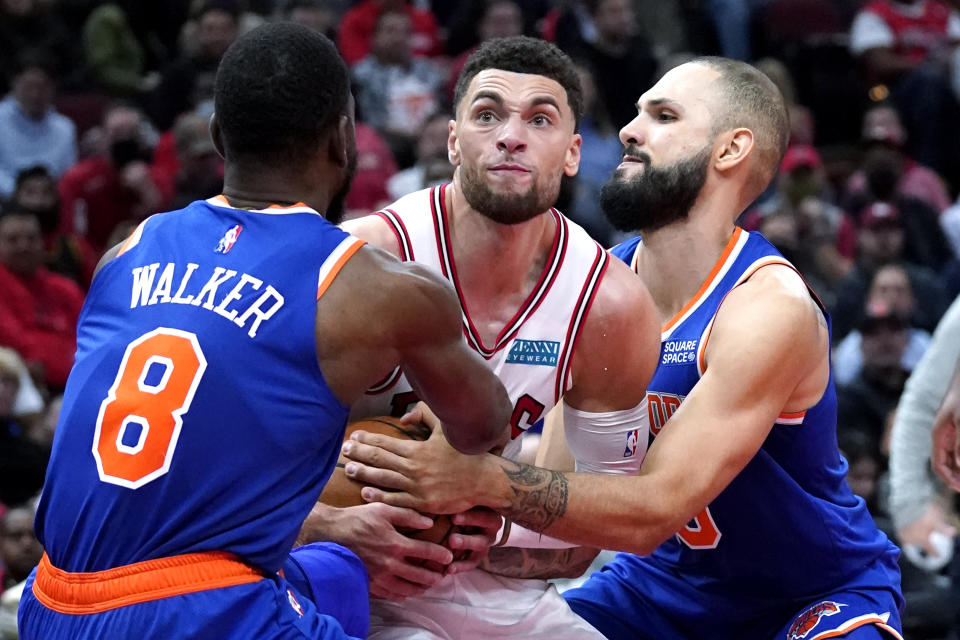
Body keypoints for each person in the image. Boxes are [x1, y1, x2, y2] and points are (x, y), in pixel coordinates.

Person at [342, 56, 905, 639]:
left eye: (663, 116)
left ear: (730, 149)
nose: (632, 130)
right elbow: (558, 502)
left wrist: (479, 481)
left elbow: (655, 507)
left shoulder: (767, 308)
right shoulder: (600, 292)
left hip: (807, 595)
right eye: (636, 113)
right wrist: (455, 533)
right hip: (659, 588)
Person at [16, 22, 511, 640]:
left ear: (220, 137)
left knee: (334, 573)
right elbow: (486, 426)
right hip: (197, 614)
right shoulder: (380, 287)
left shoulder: (125, 250)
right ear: (344, 138)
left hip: (50, 601)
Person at [299, 35, 660, 639]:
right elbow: (223, 458)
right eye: (488, 114)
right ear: (453, 141)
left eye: (539, 119)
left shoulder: (610, 304)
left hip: (488, 585)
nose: (510, 135)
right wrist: (326, 529)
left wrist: (484, 526)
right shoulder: (359, 259)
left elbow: (599, 525)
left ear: (573, 153)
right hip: (323, 566)